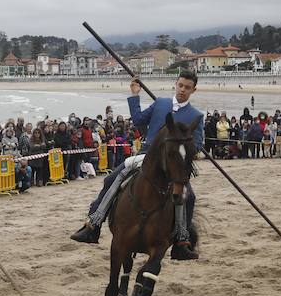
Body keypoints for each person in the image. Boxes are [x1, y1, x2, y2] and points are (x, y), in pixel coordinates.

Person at [70, 71, 205, 261]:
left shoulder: (196, 115)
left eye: (187, 87)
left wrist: (180, 146)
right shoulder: (160, 104)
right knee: (111, 178)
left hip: (172, 165)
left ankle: (182, 241)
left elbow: (198, 143)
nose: (183, 90)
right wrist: (135, 95)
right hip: (146, 155)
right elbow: (139, 120)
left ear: (193, 90)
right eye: (180, 85)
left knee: (189, 196)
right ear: (176, 84)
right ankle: (94, 223)